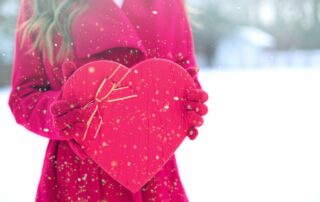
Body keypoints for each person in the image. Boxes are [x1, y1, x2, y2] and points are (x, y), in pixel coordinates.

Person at [8, 0, 209, 201]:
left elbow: (185, 75)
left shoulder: (167, 3)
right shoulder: (42, 3)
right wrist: (60, 112)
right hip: (81, 175)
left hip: (154, 171)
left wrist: (187, 105)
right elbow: (24, 96)